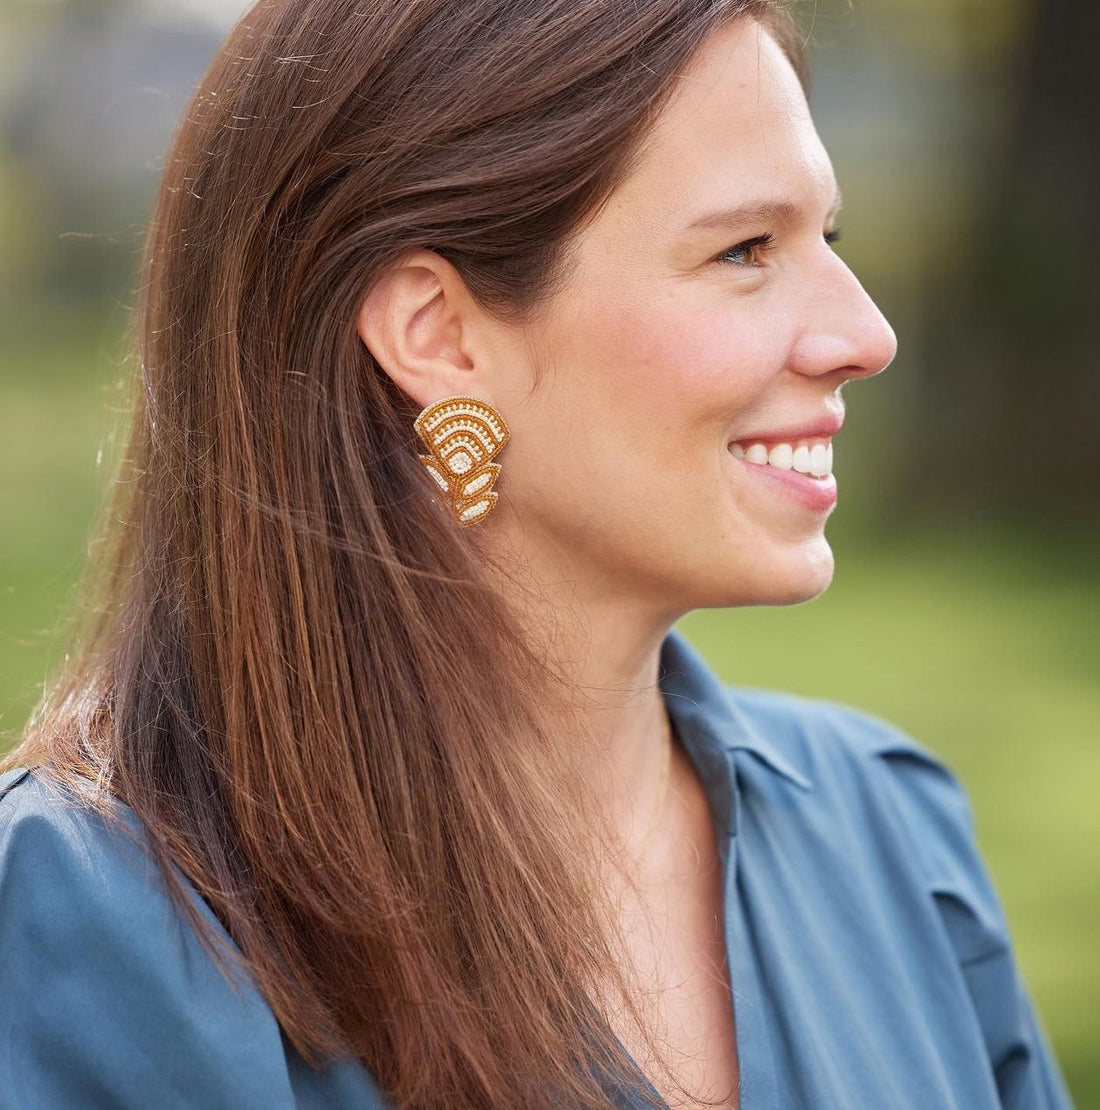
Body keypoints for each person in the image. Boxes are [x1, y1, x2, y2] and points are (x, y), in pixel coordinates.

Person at [0, 1, 1075, 1108]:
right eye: (745, 250)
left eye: (827, 241)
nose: (867, 336)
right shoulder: (92, 920)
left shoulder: (891, 836)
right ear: (437, 333)